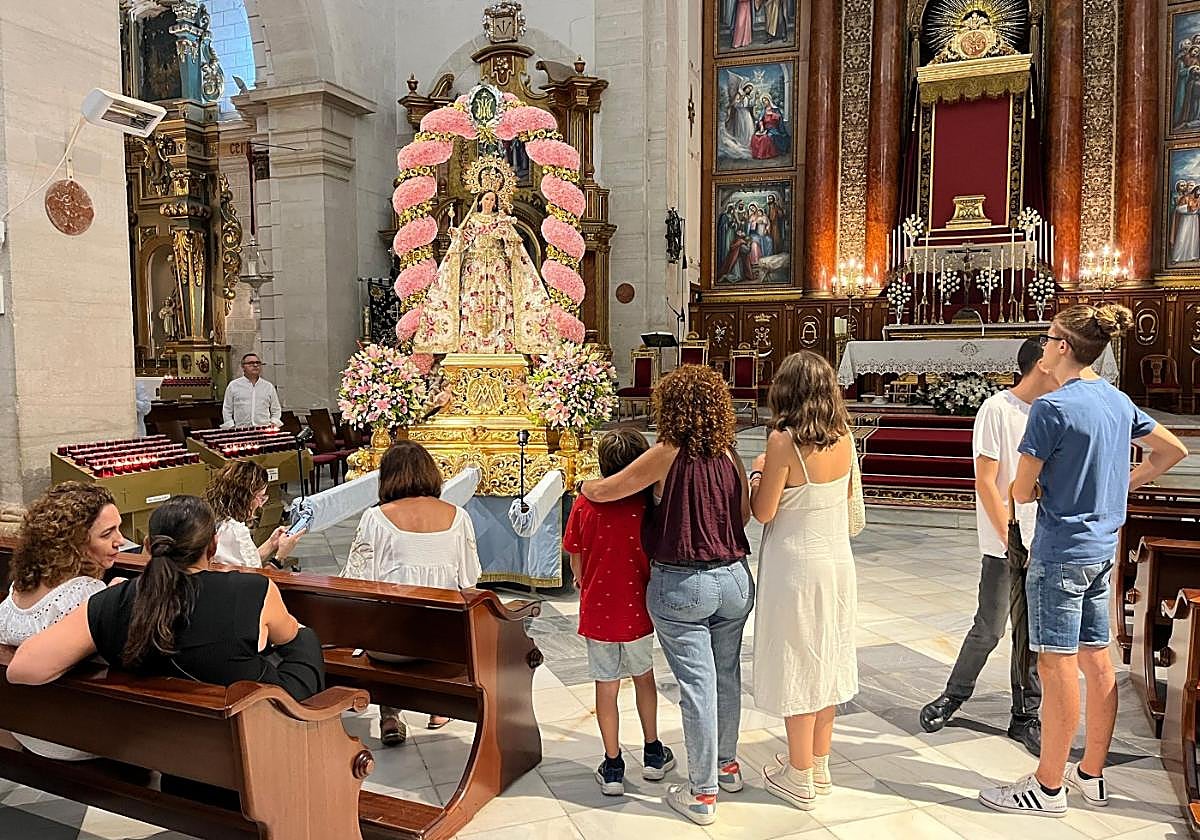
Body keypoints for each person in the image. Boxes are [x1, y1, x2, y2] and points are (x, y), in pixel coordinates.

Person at [979, 305, 1188, 817]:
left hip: (1059, 551)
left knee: (1054, 666)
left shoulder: (1053, 407)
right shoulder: (1117, 400)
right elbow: (1171, 451)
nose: (1045, 346)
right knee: (1098, 660)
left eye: (1049, 338)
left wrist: (1032, 484)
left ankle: (1048, 787)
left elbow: (1022, 492)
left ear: (1063, 347)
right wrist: (1120, 485)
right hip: (1102, 548)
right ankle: (1090, 775)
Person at [580, 365, 753, 827]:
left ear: (670, 408)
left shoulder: (666, 453)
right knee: (726, 677)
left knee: (697, 686)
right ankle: (727, 766)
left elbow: (608, 489)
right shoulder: (730, 454)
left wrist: (581, 485)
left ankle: (702, 794)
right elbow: (746, 515)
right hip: (735, 577)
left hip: (685, 582)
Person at [7, 495, 325, 702]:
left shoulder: (112, 601)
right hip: (255, 730)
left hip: (170, 747)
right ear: (212, 546)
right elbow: (290, 637)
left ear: (148, 544)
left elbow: (22, 669)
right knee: (304, 640)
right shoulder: (251, 589)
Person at [920, 339, 1056, 756]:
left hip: (1045, 536)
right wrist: (1009, 537)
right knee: (990, 625)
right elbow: (986, 480)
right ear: (1038, 365)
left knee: (1032, 635)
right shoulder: (997, 409)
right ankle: (954, 694)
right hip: (1005, 540)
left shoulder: (1054, 411)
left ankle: (1025, 715)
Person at [748, 351, 858, 810]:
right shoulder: (846, 437)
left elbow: (764, 511)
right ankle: (819, 762)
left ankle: (798, 775)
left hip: (795, 567)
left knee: (798, 661)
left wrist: (755, 473)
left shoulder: (783, 441)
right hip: (836, 563)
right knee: (826, 659)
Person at [340, 441, 481, 745]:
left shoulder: (375, 519)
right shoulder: (458, 517)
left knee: (386, 623)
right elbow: (469, 583)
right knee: (432, 627)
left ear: (387, 477)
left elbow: (356, 583)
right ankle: (438, 707)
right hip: (447, 644)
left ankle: (390, 715)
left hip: (392, 647)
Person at [564, 428, 675, 797]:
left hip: (598, 609)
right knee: (644, 679)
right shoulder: (647, 503)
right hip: (639, 609)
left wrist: (586, 581)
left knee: (606, 687)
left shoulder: (585, 502)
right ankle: (653, 752)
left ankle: (612, 765)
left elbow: (575, 557)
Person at [0, 483, 124, 760]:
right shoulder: (83, 595)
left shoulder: (19, 587)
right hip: (76, 738)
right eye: (107, 534)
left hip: (26, 728)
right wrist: (118, 595)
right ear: (74, 542)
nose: (121, 541)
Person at [414, 186, 555, 354]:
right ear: (480, 200)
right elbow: (464, 241)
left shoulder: (501, 219)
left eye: (493, 200)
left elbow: (513, 244)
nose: (490, 202)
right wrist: (457, 235)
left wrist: (505, 233)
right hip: (476, 267)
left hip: (497, 268)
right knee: (473, 301)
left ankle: (501, 342)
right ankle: (471, 344)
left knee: (500, 301)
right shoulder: (473, 219)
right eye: (487, 199)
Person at [204, 460, 304, 569]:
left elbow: (244, 563)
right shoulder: (234, 531)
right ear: (245, 497)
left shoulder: (212, 518)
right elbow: (254, 580)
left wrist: (271, 543)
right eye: (260, 497)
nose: (261, 505)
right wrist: (280, 557)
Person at [222, 353, 282, 428]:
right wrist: (231, 426)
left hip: (263, 429)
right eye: (251, 363)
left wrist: (274, 422)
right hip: (241, 429)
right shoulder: (233, 386)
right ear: (243, 367)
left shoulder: (268, 386)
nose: (255, 365)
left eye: (258, 363)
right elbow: (227, 409)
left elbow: (276, 409)